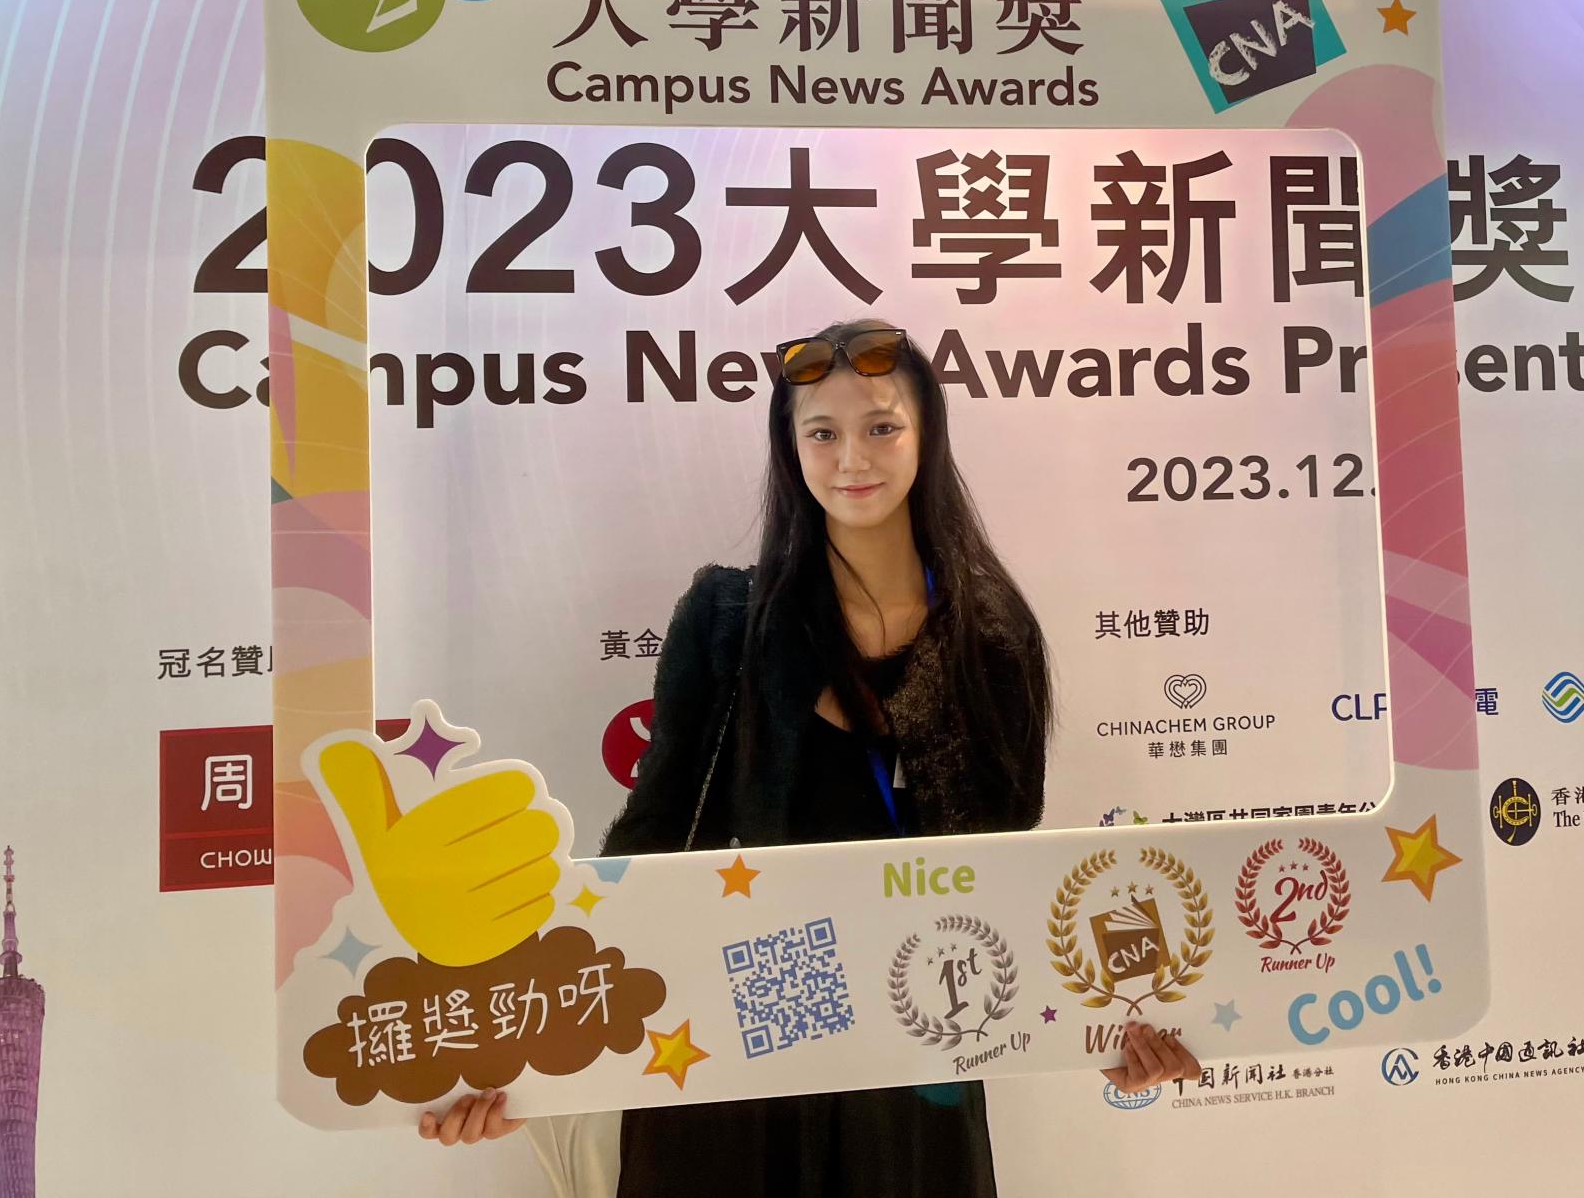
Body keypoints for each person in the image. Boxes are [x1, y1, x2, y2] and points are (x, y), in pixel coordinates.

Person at [419, 320, 1199, 1189]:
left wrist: (1112, 1031)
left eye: (881, 427)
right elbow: (648, 841)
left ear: (926, 436)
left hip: (911, 1058)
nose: (851, 458)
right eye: (821, 433)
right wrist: (519, 1048)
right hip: (722, 1047)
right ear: (791, 450)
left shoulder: (991, 639)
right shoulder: (724, 621)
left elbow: (1006, 877)